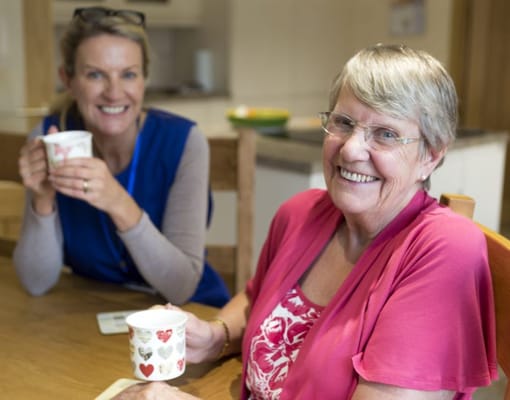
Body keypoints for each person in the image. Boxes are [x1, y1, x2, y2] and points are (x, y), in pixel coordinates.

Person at [115, 43, 498, 400]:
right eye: (344, 123)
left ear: (431, 154)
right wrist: (216, 336)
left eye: (385, 134)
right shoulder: (302, 213)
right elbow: (257, 298)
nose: (350, 149)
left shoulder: (445, 250)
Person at [14, 6, 230, 308]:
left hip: (187, 319)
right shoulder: (52, 137)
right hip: (93, 313)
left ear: (144, 79)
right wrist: (42, 200)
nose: (114, 93)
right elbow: (36, 282)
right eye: (95, 75)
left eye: (128, 74)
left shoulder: (183, 143)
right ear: (69, 80)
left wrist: (117, 202)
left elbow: (180, 287)